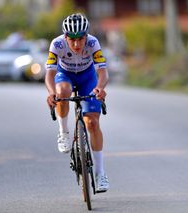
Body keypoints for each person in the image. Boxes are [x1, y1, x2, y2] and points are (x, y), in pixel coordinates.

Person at [45, 13, 109, 192]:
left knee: (93, 122)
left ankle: (100, 172)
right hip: (64, 75)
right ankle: (63, 132)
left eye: (80, 39)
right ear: (65, 37)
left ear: (86, 36)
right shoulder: (56, 44)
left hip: (87, 77)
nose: (76, 44)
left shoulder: (93, 43)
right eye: (71, 40)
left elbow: (103, 72)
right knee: (62, 92)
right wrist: (51, 93)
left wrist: (100, 88)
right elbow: (49, 75)